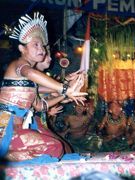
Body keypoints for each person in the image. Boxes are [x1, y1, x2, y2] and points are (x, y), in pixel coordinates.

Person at [0, 12, 87, 161]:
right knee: (56, 148)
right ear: (22, 48)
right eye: (35, 44)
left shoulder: (31, 79)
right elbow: (31, 74)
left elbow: (40, 105)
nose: (42, 49)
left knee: (61, 149)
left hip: (18, 128)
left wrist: (65, 93)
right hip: (5, 130)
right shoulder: (19, 64)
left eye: (42, 45)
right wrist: (65, 88)